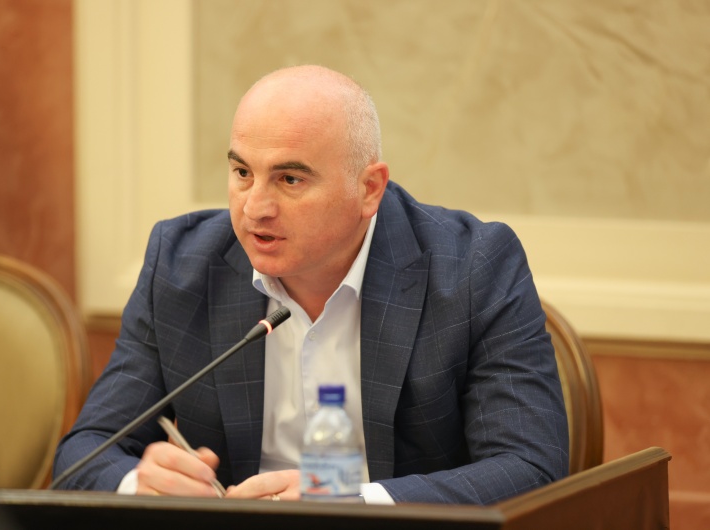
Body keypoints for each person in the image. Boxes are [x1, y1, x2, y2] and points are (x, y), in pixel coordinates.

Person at [54, 64, 569, 504]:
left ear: (369, 189)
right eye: (242, 173)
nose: (255, 208)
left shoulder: (473, 269)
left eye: (290, 179)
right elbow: (84, 453)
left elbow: (531, 468)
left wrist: (353, 503)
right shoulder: (181, 265)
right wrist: (138, 483)